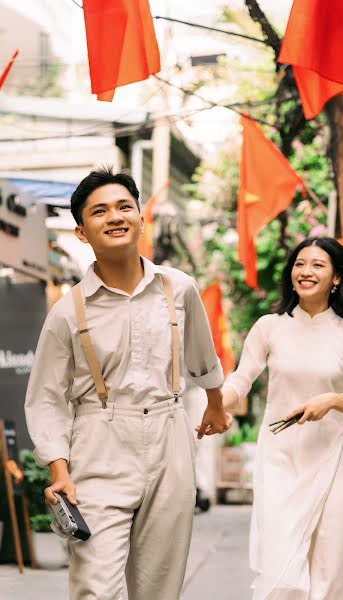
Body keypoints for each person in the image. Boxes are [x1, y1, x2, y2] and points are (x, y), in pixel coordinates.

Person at [25, 167, 231, 600]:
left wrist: (215, 403)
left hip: (169, 435)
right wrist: (59, 470)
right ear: (82, 232)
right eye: (99, 211)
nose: (114, 216)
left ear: (141, 217)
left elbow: (201, 355)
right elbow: (45, 397)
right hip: (99, 441)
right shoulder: (66, 312)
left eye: (124, 207)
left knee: (159, 587)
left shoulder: (180, 288)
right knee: (94, 587)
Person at [221, 237, 343, 600]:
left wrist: (334, 400)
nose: (306, 271)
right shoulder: (269, 327)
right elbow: (240, 380)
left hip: (331, 463)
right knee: (282, 576)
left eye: (318, 265)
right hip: (278, 463)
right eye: (300, 263)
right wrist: (218, 405)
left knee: (328, 579)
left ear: (336, 278)